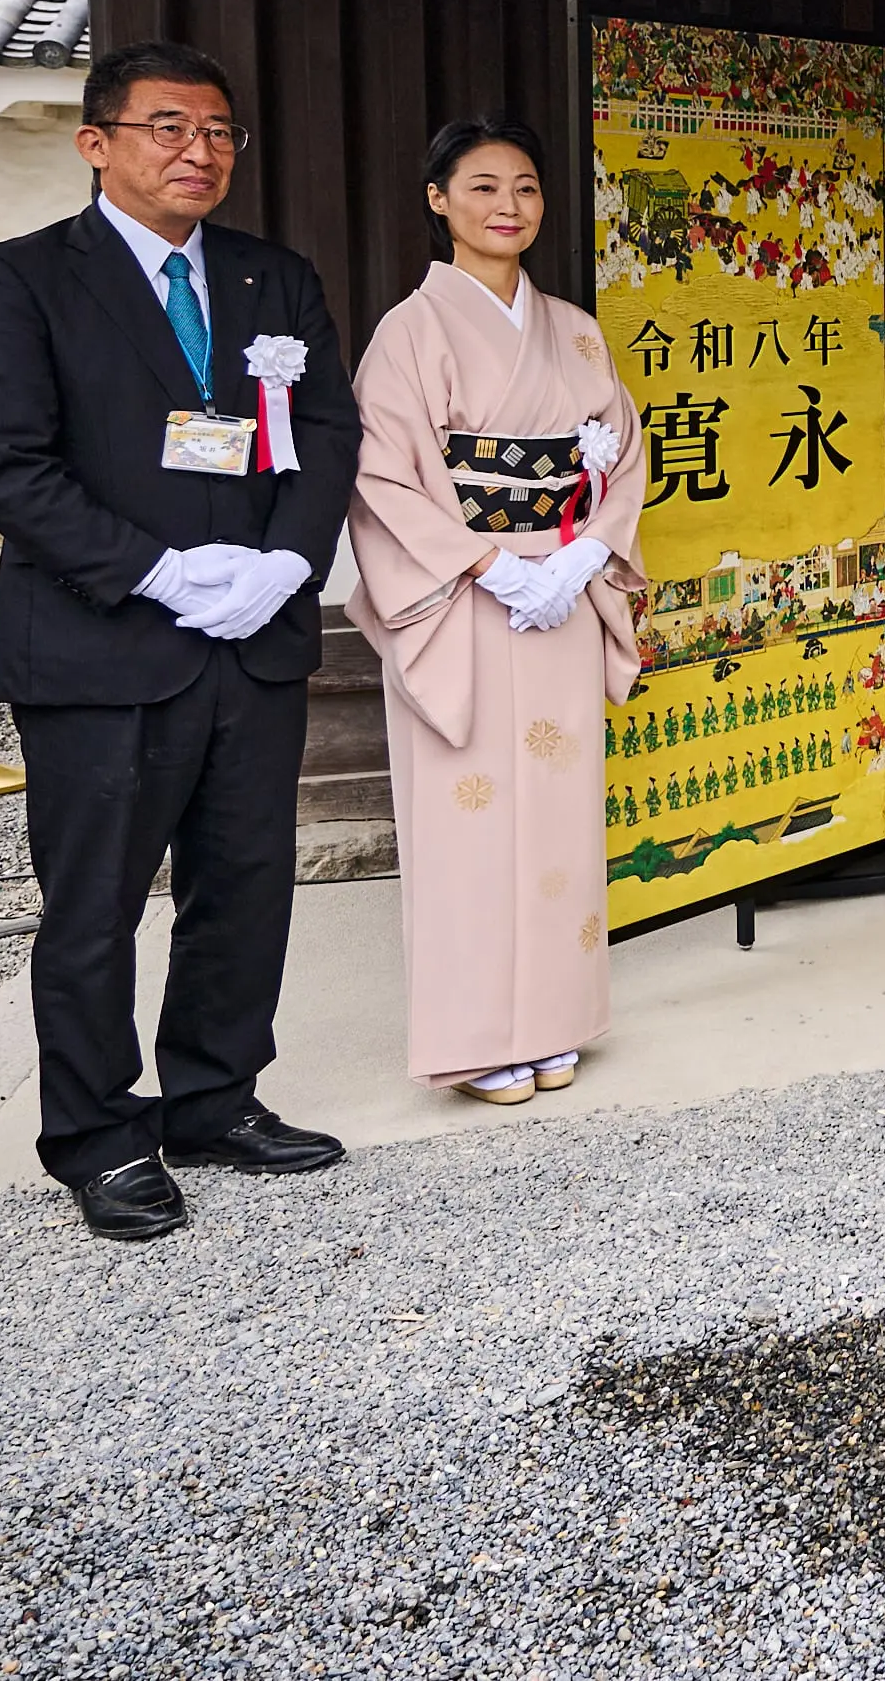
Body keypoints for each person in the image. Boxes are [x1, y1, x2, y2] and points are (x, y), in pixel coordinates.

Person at [0, 42, 362, 1243]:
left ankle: (215, 1101)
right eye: (169, 126)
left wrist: (285, 563)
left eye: (220, 131)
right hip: (103, 644)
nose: (200, 150)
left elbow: (329, 430)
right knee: (95, 906)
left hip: (252, 634)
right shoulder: (19, 279)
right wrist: (161, 572)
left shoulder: (272, 278)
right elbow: (7, 465)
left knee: (244, 884)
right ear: (97, 144)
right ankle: (97, 1136)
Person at [344, 120, 650, 1104]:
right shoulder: (410, 331)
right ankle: (474, 1037)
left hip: (562, 591)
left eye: (524, 186)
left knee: (559, 811)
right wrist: (489, 565)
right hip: (466, 597)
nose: (507, 206)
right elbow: (383, 476)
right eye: (481, 187)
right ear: (438, 200)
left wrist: (588, 552)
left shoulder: (575, 329)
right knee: (465, 815)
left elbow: (623, 449)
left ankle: (555, 1016)